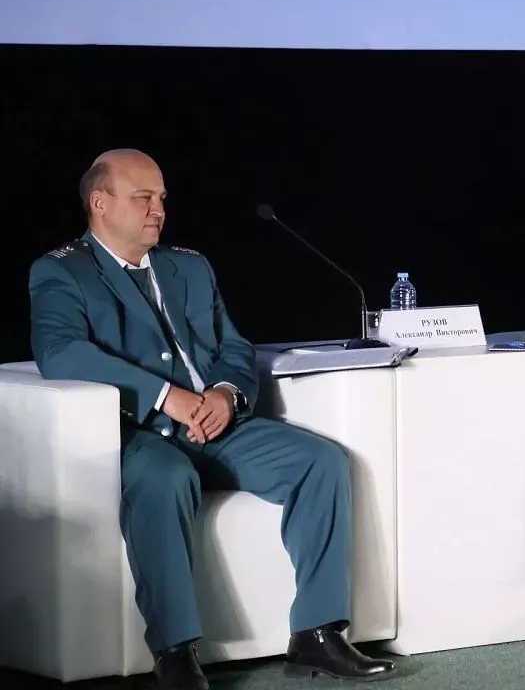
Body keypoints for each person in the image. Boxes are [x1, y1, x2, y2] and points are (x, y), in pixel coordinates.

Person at [29, 150, 397, 689]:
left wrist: (226, 394)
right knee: (166, 478)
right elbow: (60, 351)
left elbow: (234, 347)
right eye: (142, 198)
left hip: (217, 425)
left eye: (161, 199)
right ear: (99, 203)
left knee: (319, 462)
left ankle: (318, 634)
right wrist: (165, 397)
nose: (158, 210)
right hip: (139, 432)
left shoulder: (190, 266)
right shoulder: (63, 270)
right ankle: (176, 653)